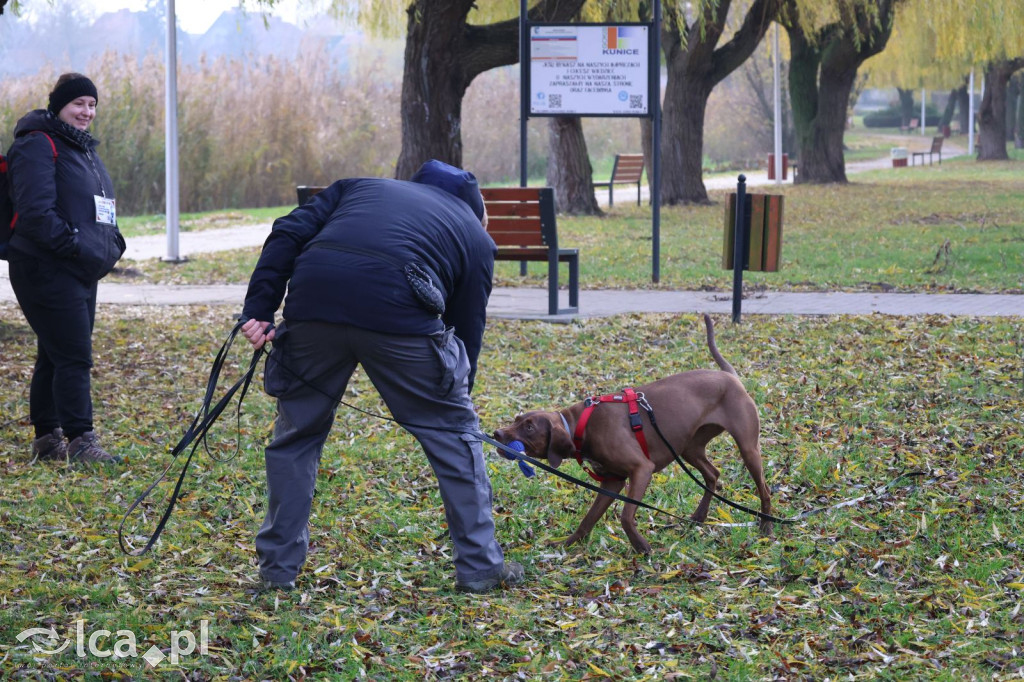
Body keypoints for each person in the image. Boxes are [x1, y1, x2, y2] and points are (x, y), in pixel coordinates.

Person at [240, 160, 524, 594]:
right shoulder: (475, 235)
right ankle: (481, 567)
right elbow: (467, 328)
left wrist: (259, 308)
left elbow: (287, 231)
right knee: (454, 437)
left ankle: (276, 571)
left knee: (295, 437)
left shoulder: (357, 187)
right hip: (402, 313)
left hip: (314, 302)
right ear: (473, 206)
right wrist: (456, 398)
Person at [6, 72, 126, 464]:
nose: (87, 111)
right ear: (59, 105)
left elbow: (97, 208)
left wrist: (113, 243)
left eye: (92, 105)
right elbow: (36, 214)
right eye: (79, 104)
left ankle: (46, 438)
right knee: (74, 355)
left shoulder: (82, 149)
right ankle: (81, 440)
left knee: (55, 352)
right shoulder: (37, 145)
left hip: (78, 268)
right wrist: (75, 249)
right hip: (44, 266)